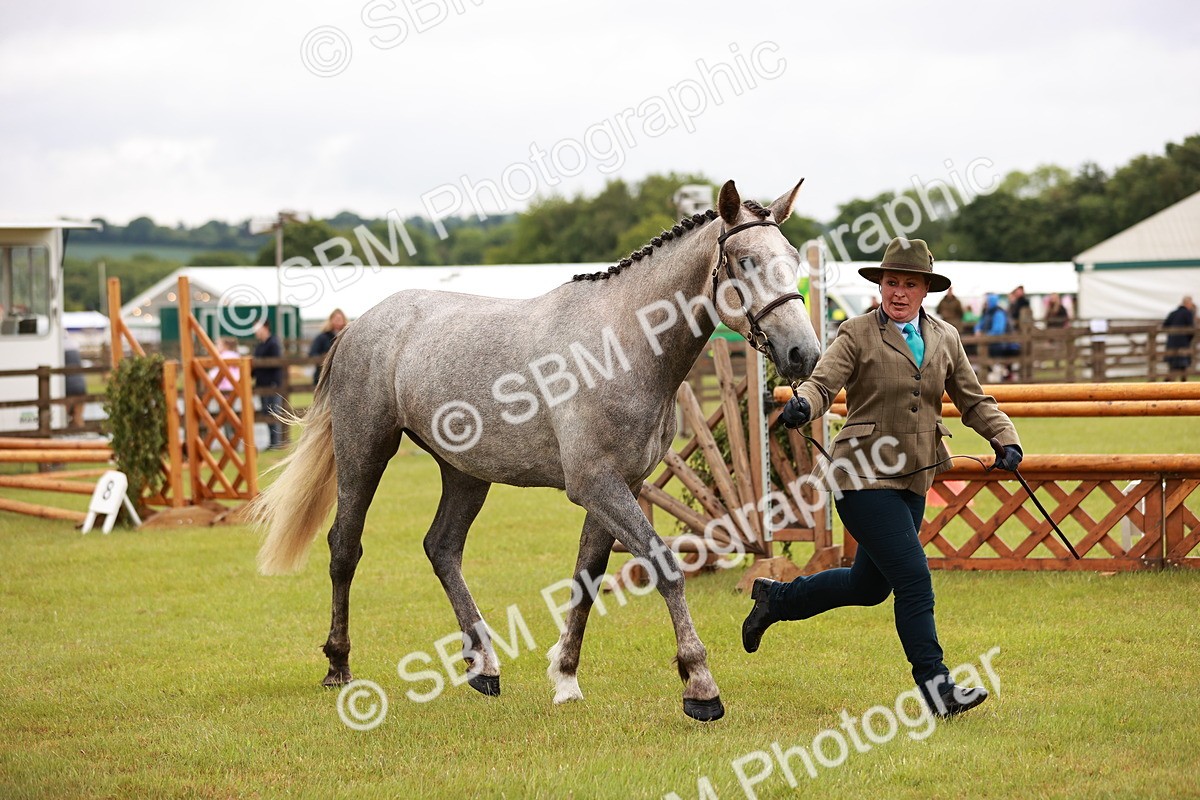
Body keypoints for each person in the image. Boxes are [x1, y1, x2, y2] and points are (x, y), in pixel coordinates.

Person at [743, 237, 1023, 719]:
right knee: (914, 579)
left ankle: (777, 599)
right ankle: (938, 688)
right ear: (881, 285)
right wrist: (805, 404)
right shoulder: (856, 333)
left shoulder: (946, 338)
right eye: (891, 282)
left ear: (924, 290)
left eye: (908, 284)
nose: (898, 292)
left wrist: (1005, 439)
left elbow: (974, 401)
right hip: (860, 476)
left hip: (914, 478)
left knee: (869, 587)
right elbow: (824, 381)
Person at [252, 320, 285, 449]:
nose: (256, 332)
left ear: (265, 328)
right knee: (266, 413)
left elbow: (275, 363)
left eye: (258, 329)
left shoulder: (273, 344)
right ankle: (272, 441)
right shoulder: (260, 346)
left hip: (272, 384)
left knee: (273, 412)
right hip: (262, 384)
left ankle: (276, 441)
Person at [977, 294, 1017, 381]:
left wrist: (985, 335)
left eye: (987, 301)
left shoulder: (998, 313)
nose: (986, 303)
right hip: (992, 343)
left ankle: (1000, 374)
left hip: (1001, 344)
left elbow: (998, 330)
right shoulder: (988, 313)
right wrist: (977, 330)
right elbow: (980, 324)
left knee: (990, 358)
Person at [308, 308, 346, 385]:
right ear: (331, 320)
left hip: (343, 374)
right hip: (325, 375)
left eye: (340, 319)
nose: (338, 321)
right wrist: (324, 358)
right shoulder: (322, 337)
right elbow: (312, 353)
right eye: (336, 319)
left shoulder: (347, 336)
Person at [1163, 296, 1196, 381]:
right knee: (1183, 366)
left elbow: (1165, 326)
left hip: (1171, 343)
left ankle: (1170, 381)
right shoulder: (1188, 313)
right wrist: (1188, 340)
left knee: (1173, 365)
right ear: (1188, 304)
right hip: (1183, 344)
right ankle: (1180, 384)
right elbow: (1191, 329)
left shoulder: (1173, 313)